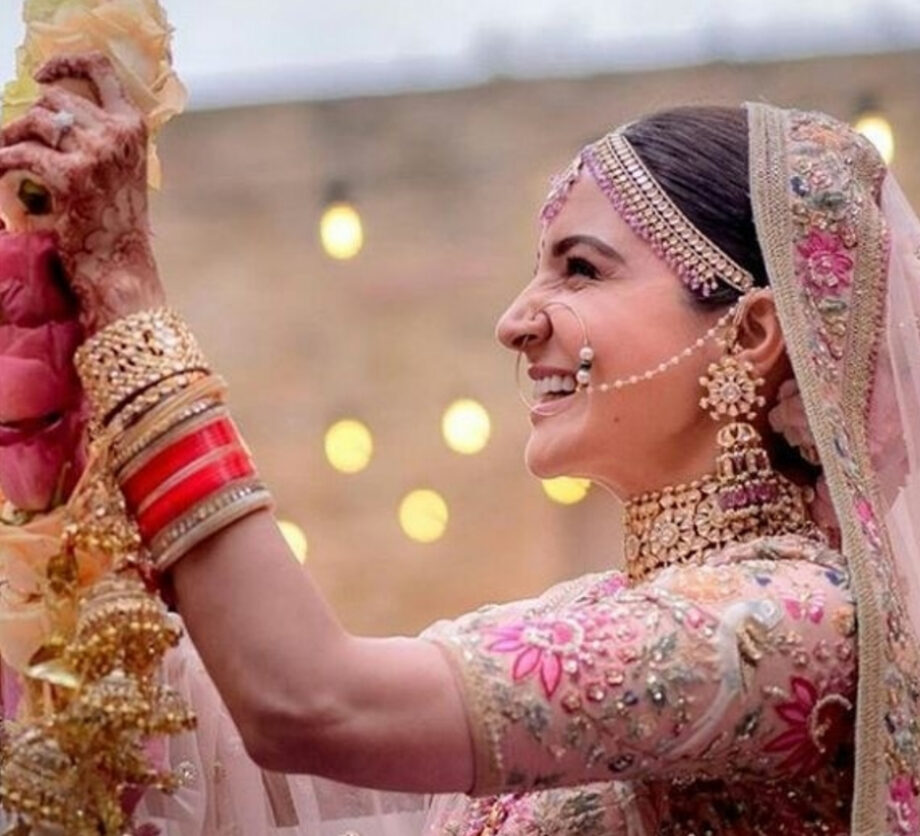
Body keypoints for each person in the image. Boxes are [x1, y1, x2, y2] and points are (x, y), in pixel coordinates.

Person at [1, 51, 919, 835]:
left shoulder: (786, 624)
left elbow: (310, 703)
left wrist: (130, 295)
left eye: (581, 269)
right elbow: (259, 746)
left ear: (753, 332)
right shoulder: (615, 610)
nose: (515, 322)